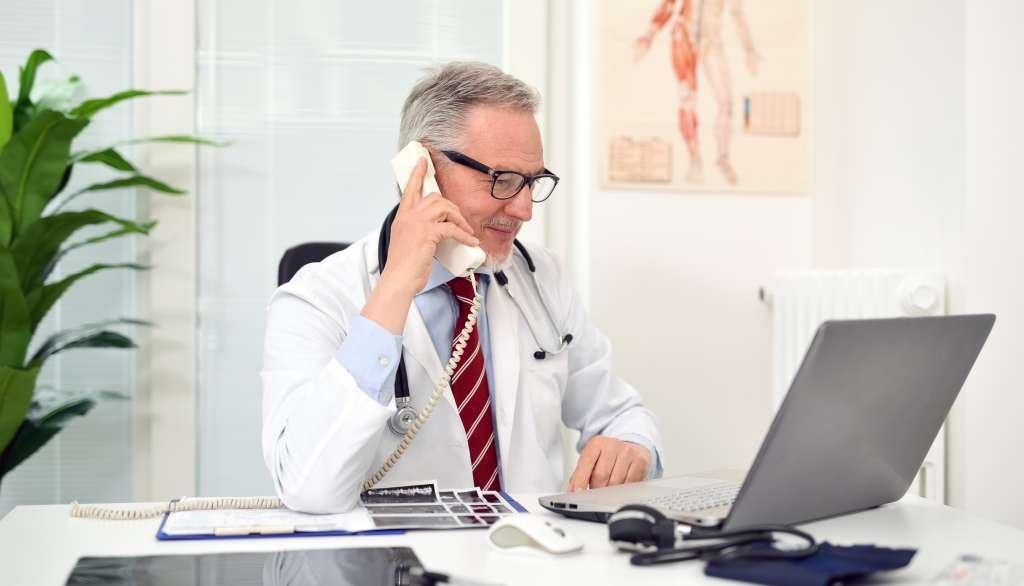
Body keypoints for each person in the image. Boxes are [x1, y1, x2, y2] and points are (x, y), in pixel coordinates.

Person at [261, 62, 662, 514]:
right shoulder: (317, 298)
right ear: (422, 169)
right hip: (390, 565)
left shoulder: (542, 278)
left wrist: (631, 445)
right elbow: (307, 487)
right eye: (503, 180)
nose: (525, 209)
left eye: (532, 182)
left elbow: (619, 413)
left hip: (531, 557)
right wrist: (394, 291)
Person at [634, 0, 761, 185]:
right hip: (684, 35)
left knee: (726, 102)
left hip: (712, 39)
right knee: (688, 100)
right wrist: (649, 36)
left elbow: (737, 13)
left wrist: (749, 49)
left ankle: (722, 157)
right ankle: (695, 159)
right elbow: (669, 4)